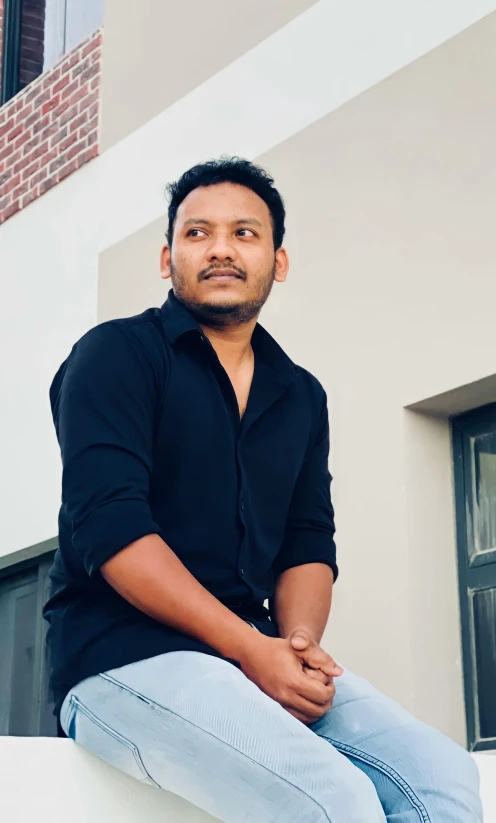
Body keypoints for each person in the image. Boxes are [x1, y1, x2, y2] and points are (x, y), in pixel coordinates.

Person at [44, 157, 482, 823]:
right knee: (333, 800)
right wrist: (252, 649)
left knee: (442, 777)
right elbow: (112, 530)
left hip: (252, 657)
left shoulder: (298, 393)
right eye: (198, 234)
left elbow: (308, 543)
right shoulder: (116, 355)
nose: (221, 247)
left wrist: (296, 644)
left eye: (244, 233)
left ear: (278, 261)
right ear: (167, 259)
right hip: (119, 657)